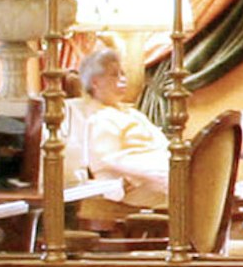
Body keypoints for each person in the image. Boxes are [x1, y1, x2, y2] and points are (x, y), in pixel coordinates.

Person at [62, 44, 172, 208]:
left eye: (123, 73)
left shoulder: (131, 113)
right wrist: (152, 174)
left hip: (162, 171)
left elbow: (162, 143)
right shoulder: (99, 118)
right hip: (137, 184)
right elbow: (106, 160)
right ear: (95, 82)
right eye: (114, 75)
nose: (123, 79)